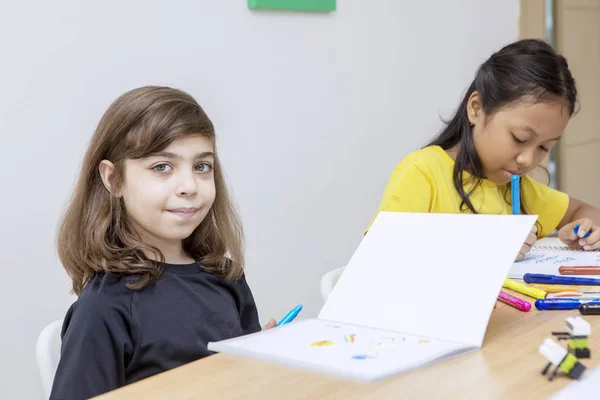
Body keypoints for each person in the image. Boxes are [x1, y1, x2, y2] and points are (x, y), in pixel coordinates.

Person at [50, 86, 275, 399]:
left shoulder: (227, 278)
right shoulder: (105, 308)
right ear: (113, 180)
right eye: (161, 167)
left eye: (201, 166)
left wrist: (262, 361)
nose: (188, 186)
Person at [368, 39, 600, 259]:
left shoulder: (518, 188)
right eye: (519, 138)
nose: (527, 160)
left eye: (543, 147)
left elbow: (584, 211)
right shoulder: (422, 172)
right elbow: (379, 254)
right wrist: (485, 245)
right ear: (477, 109)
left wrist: (584, 231)